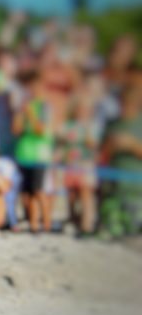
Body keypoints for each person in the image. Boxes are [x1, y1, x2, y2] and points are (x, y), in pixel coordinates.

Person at [98, 80, 142, 238]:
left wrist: (132, 145)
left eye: (129, 104)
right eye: (122, 103)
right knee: (111, 236)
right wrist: (109, 146)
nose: (125, 108)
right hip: (114, 190)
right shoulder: (112, 124)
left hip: (137, 193)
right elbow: (101, 155)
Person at [13, 71, 56, 233]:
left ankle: (47, 224)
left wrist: (29, 112)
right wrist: (19, 112)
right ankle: (33, 226)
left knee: (39, 191)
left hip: (39, 155)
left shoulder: (44, 106)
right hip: (24, 153)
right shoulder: (25, 106)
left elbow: (40, 129)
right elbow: (16, 130)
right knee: (27, 193)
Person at [59, 96, 100, 234]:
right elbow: (61, 140)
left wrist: (87, 130)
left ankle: (87, 224)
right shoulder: (68, 125)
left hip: (85, 164)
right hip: (70, 164)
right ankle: (73, 220)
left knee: (86, 194)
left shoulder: (93, 126)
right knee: (71, 195)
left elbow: (93, 144)